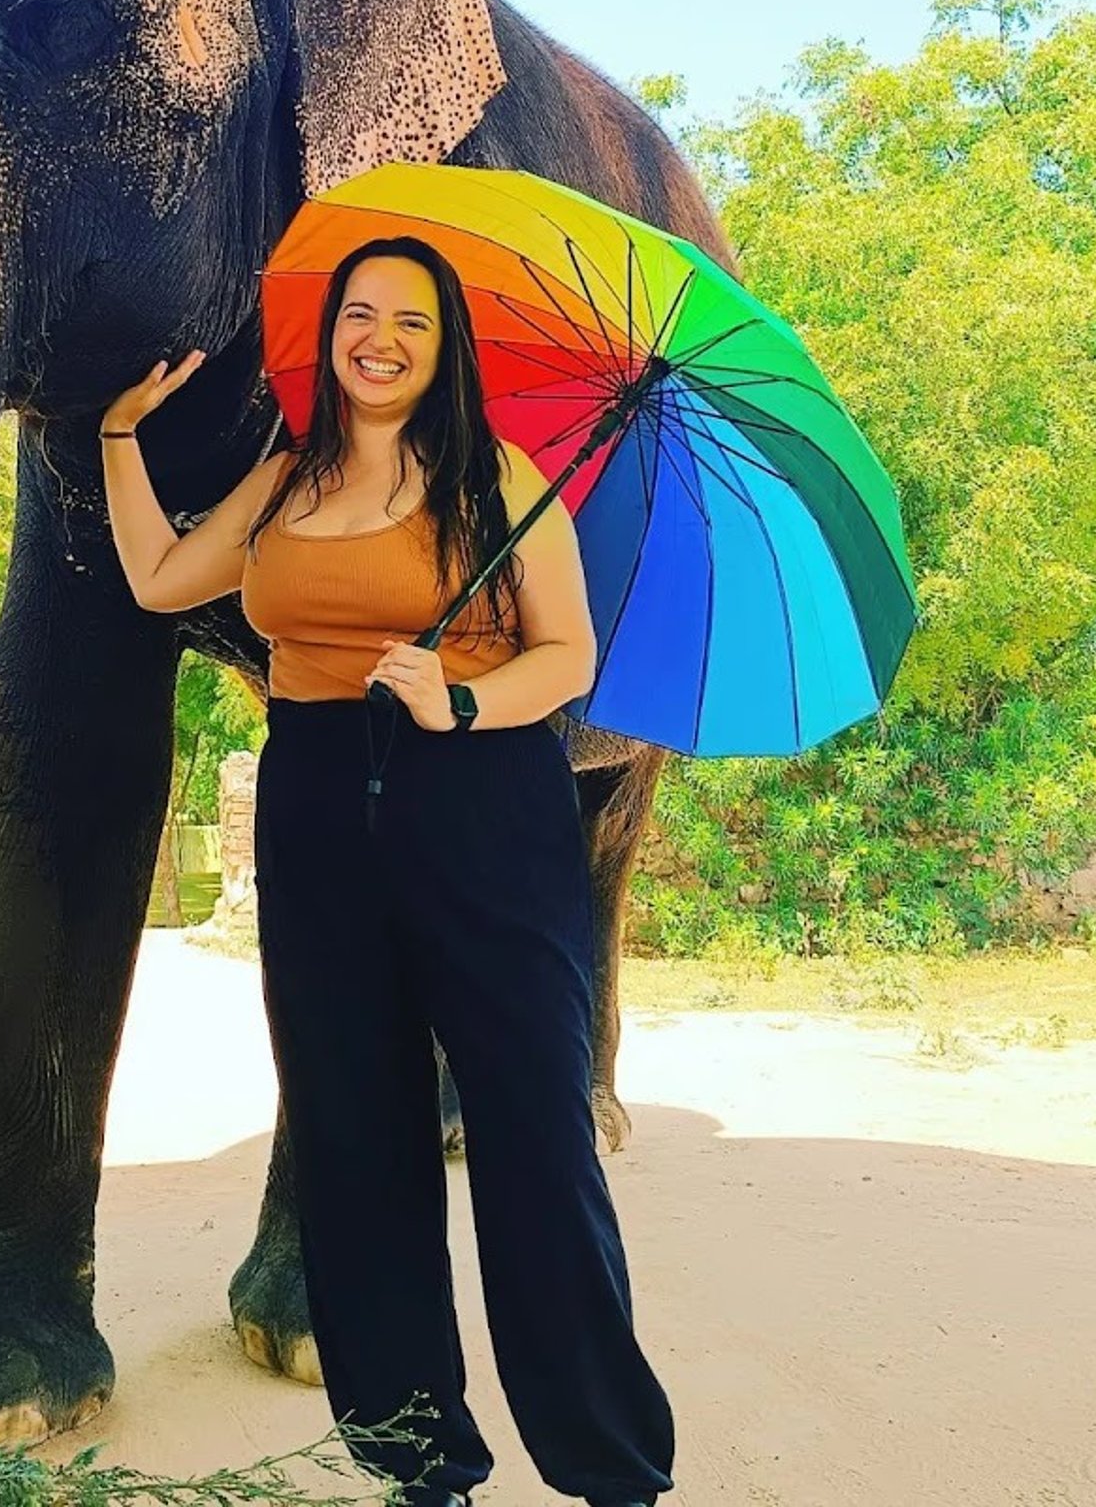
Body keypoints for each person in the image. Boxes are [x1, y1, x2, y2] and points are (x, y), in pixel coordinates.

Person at [98, 234, 675, 1507]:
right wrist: (121, 440)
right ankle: (422, 1464)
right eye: (362, 315)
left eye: (411, 322)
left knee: (533, 1136)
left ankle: (611, 1468)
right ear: (332, 335)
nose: (382, 340)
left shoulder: (500, 476)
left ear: (443, 345)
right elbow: (158, 578)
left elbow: (566, 656)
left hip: (481, 807)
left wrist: (460, 704)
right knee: (356, 1144)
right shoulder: (285, 476)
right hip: (313, 804)